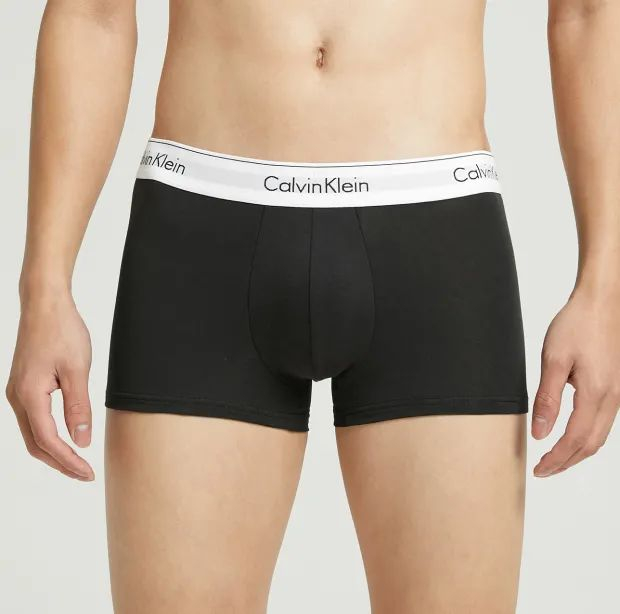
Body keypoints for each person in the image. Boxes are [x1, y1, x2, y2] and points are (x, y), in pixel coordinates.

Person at [6, 1, 620, 612]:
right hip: (201, 230)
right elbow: (93, 15)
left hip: (434, 234)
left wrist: (603, 287)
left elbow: (589, 14)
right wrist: (45, 288)